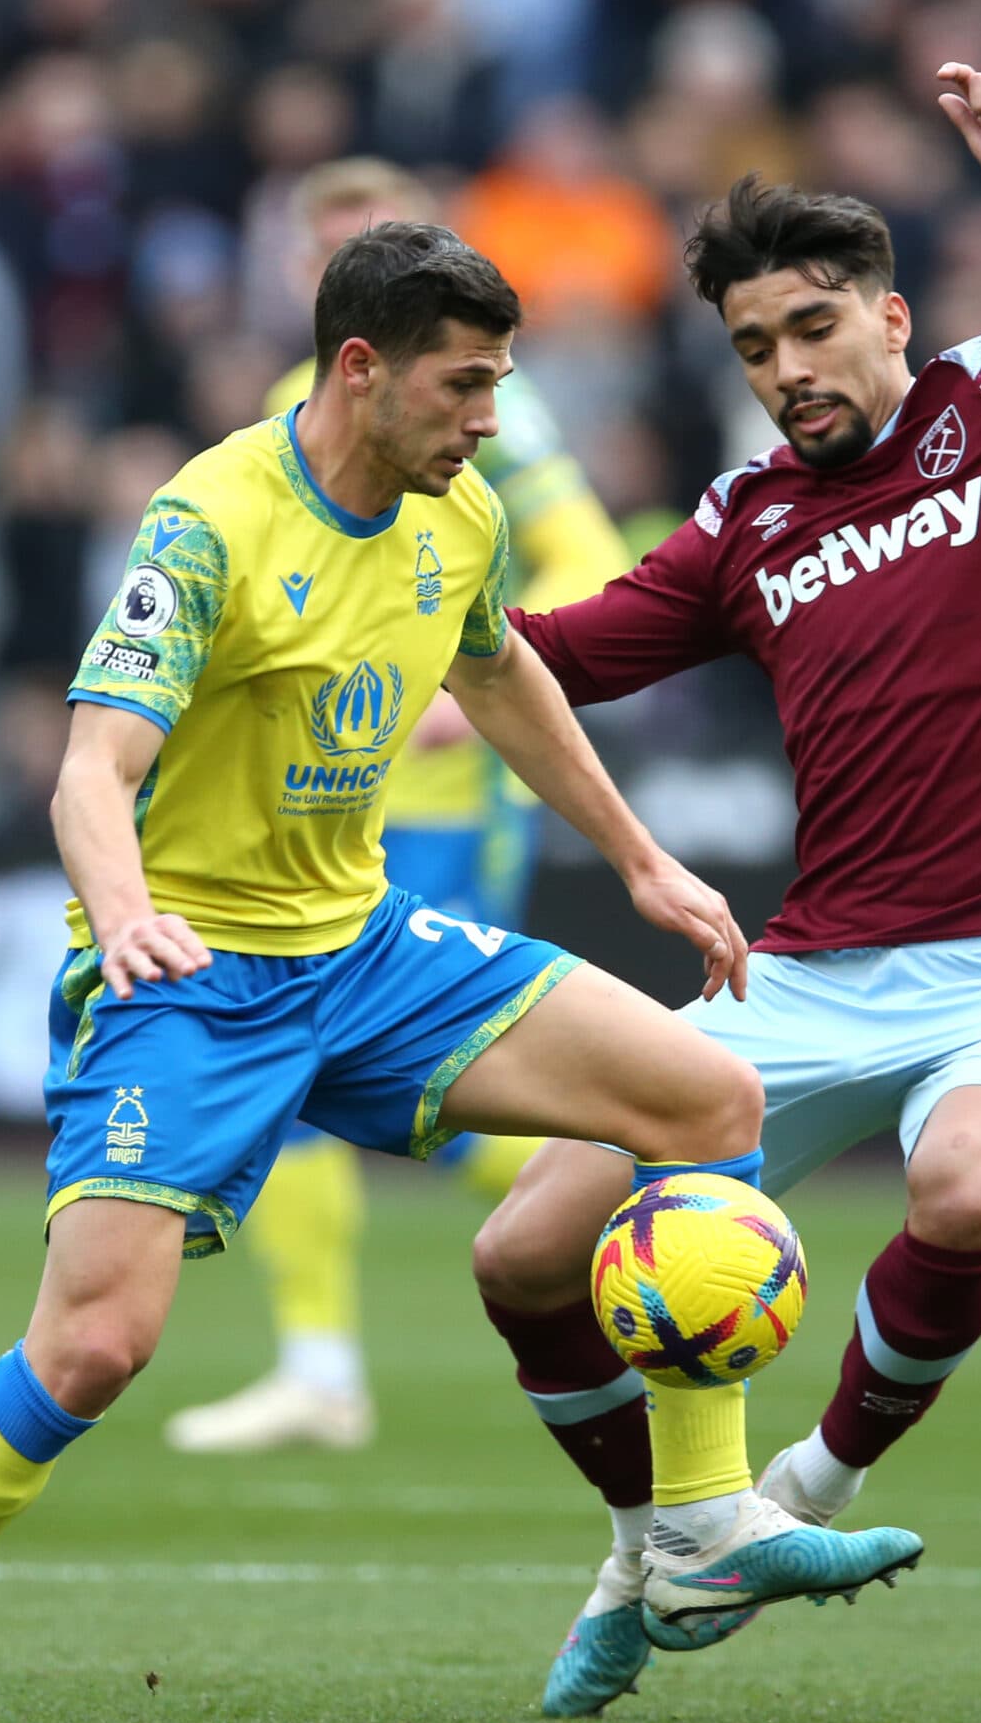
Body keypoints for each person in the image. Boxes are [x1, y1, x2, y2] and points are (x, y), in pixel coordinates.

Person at [0, 223, 918, 1723]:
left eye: (500, 384)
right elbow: (90, 772)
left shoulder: (461, 518)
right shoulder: (210, 522)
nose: (489, 419)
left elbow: (498, 672)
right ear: (358, 370)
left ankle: (697, 1527)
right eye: (465, 386)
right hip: (187, 975)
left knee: (709, 1093)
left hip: (364, 954)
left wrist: (637, 859)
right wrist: (123, 922)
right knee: (97, 1344)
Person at [470, 64, 981, 1715]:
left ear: (890, 316)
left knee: (970, 1195)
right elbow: (552, 656)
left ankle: (808, 1490)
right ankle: (657, 1542)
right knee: (519, 1256)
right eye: (754, 348)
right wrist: (372, 643)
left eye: (811, 329)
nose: (786, 371)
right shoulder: (744, 520)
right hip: (813, 971)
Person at [164, 157, 635, 1456]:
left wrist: (468, 676)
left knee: (457, 1087)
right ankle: (320, 1366)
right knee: (301, 1087)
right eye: (317, 242)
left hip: (434, 804)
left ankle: (654, 1187)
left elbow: (591, 554)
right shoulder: (281, 419)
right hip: (308, 825)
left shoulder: (491, 421)